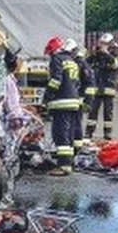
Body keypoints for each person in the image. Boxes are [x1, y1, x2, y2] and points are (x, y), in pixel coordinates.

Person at [42, 36, 81, 176]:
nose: (50, 55)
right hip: (73, 102)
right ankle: (68, 162)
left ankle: (63, 166)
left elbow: (55, 81)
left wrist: (47, 97)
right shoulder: (72, 61)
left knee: (61, 133)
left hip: (62, 102)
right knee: (69, 133)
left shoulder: (57, 59)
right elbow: (77, 83)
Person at [64, 38, 94, 158]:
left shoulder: (80, 64)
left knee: (75, 124)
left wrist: (87, 101)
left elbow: (89, 84)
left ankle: (76, 149)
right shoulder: (76, 63)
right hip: (75, 98)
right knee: (74, 124)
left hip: (79, 99)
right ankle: (75, 148)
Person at [88, 34, 118, 140]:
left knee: (108, 112)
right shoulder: (97, 54)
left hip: (109, 88)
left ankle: (107, 133)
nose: (102, 46)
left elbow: (115, 64)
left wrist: (105, 53)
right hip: (97, 88)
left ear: (110, 45)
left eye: (105, 44)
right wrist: (94, 53)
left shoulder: (114, 54)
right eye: (101, 43)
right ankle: (89, 132)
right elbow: (87, 63)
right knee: (93, 111)